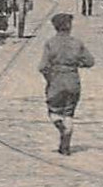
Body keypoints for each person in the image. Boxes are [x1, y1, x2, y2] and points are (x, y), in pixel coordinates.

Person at [38, 12, 94, 154]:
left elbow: (43, 67)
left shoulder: (50, 43)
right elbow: (90, 62)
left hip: (56, 80)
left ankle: (61, 128)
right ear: (69, 26)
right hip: (73, 80)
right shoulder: (77, 43)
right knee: (69, 113)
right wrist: (77, 64)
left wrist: (49, 78)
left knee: (54, 111)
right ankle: (65, 146)